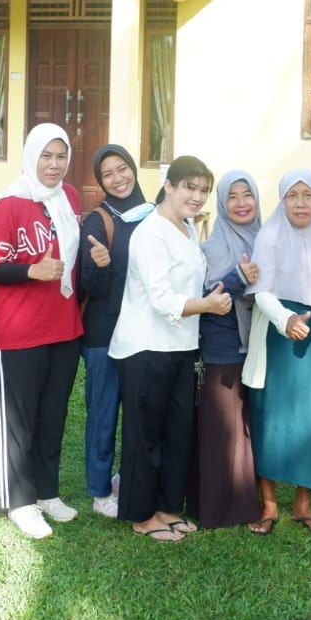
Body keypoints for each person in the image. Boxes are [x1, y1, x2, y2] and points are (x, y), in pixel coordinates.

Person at [109, 156, 229, 541]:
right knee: (145, 436)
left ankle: (165, 508)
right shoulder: (150, 233)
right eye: (190, 187)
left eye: (203, 190)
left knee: (176, 431)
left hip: (180, 346)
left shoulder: (186, 228)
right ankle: (142, 516)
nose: (196, 196)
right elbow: (163, 300)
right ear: (170, 187)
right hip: (146, 348)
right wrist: (208, 305)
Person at [0, 123, 84, 539]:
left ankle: (46, 492)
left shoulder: (70, 199)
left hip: (63, 327)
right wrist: (31, 270)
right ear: (31, 157)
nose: (54, 165)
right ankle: (19, 501)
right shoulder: (10, 204)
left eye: (61, 156)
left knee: (52, 416)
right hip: (19, 331)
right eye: (46, 155)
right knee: (18, 422)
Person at [243, 170, 311, 535]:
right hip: (277, 334)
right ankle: (268, 505)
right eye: (292, 195)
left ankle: (303, 506)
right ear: (282, 200)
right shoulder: (269, 234)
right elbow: (260, 291)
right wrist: (286, 319)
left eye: (308, 195)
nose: (300, 203)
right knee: (270, 416)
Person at [76, 145, 152, 518]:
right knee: (104, 411)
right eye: (108, 174)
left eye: (123, 169)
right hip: (104, 334)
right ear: (100, 182)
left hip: (144, 332)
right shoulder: (98, 220)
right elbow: (88, 283)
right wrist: (102, 266)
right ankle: (99, 488)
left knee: (139, 410)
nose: (119, 178)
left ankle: (127, 477)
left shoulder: (154, 215)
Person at [190, 170, 264, 530]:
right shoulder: (213, 246)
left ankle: (245, 500)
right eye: (232, 196)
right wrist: (237, 276)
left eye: (246, 194)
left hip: (257, 342)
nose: (241, 203)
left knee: (245, 423)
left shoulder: (265, 237)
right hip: (223, 344)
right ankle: (217, 507)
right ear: (221, 203)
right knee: (225, 424)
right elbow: (210, 296)